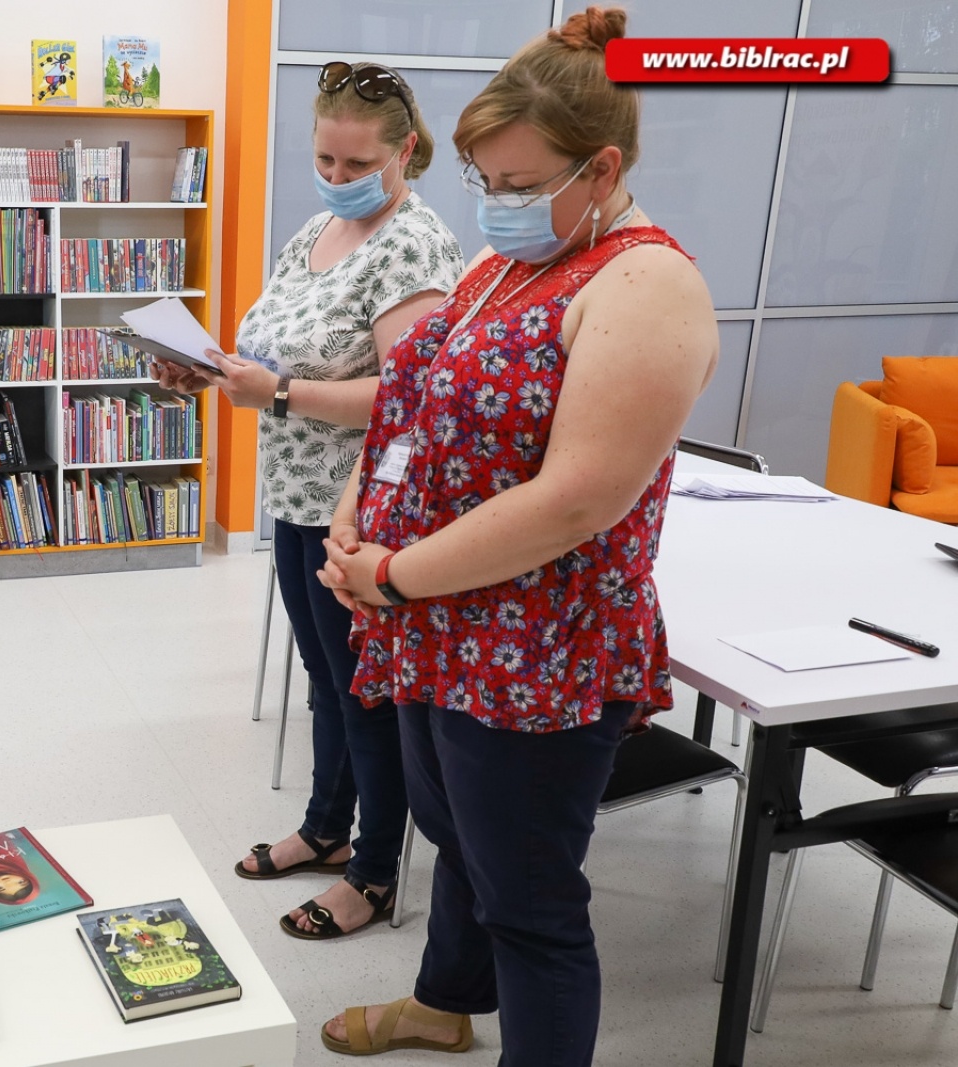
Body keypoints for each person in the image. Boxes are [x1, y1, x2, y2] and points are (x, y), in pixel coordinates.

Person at [313, 7, 718, 1062]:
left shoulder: (644, 282)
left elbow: (577, 498)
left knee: (532, 903)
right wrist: (355, 520)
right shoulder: (504, 267)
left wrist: (392, 574)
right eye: (484, 183)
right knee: (458, 843)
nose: (497, 205)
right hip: (437, 618)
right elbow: (408, 401)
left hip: (534, 643)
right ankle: (444, 1002)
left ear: (602, 167)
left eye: (521, 184)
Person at [154, 62, 462, 940]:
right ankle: (329, 828)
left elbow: (414, 395)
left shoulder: (416, 245)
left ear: (405, 150)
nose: (333, 178)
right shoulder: (318, 228)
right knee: (325, 681)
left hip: (360, 508)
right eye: (322, 160)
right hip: (293, 492)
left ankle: (373, 872)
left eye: (352, 162)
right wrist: (209, 369)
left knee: (362, 691)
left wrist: (277, 394)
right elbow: (275, 350)